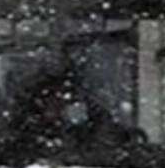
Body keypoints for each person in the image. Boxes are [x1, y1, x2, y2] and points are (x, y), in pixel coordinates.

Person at [13, 38, 141, 160]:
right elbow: (13, 154)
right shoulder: (25, 123)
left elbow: (110, 149)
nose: (59, 102)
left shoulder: (95, 119)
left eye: (67, 97)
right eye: (54, 99)